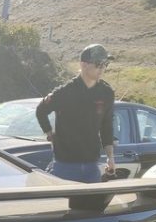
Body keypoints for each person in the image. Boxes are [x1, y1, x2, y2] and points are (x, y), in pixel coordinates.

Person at [36, 44, 116, 183]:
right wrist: (49, 134)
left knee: (92, 205)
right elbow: (41, 111)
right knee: (61, 205)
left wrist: (110, 157)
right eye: (98, 64)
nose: (102, 69)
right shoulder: (65, 92)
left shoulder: (106, 93)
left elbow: (106, 127)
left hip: (92, 166)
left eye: (105, 64)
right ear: (83, 65)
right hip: (64, 166)